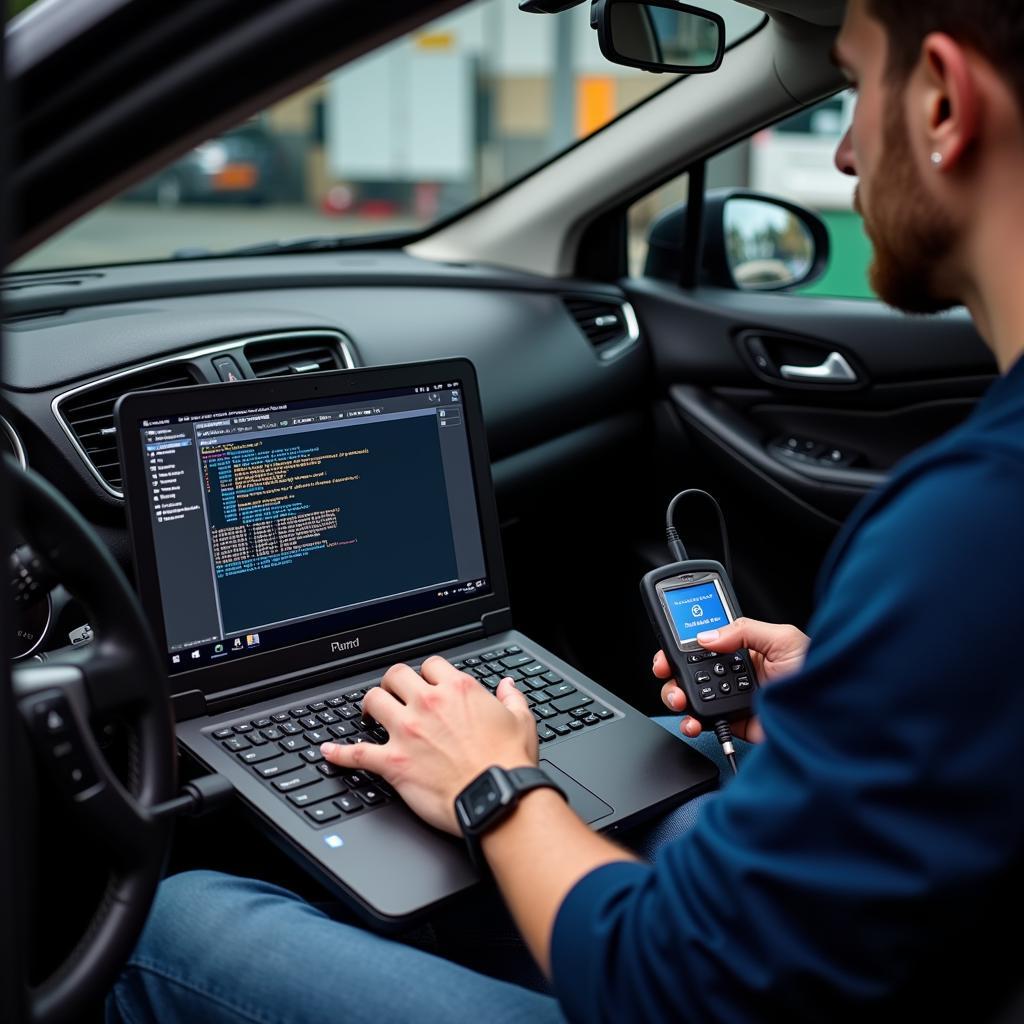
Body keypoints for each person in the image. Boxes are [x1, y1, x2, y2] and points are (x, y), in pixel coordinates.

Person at [107, 1, 1024, 1020]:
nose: (847, 151)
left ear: (941, 99)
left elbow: (665, 980)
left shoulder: (972, 525)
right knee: (662, 819)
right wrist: (858, 702)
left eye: (852, 85)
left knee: (172, 922)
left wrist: (493, 783)